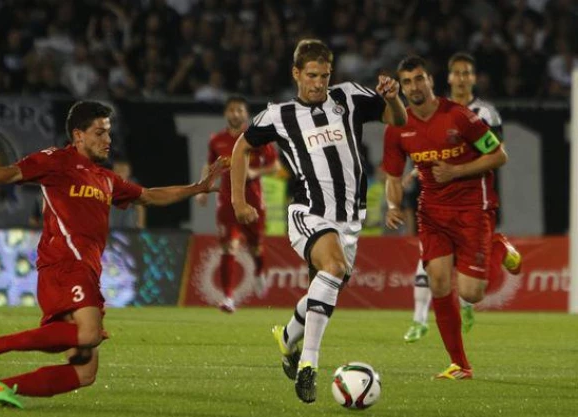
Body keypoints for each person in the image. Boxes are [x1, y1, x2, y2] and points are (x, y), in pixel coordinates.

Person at [0, 101, 226, 409]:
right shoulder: (56, 161)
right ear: (78, 135)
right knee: (88, 334)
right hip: (64, 264)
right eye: (100, 133)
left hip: (86, 270)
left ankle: (3, 386)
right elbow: (11, 173)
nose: (108, 140)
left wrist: (197, 188)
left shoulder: (106, 178)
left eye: (109, 133)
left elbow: (149, 196)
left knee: (85, 371)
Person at [231, 39, 407, 403]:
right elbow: (241, 147)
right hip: (309, 212)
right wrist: (238, 200)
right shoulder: (279, 115)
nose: (319, 83)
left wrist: (392, 98)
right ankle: (308, 365)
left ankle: (287, 338)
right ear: (296, 73)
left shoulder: (349, 97)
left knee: (326, 286)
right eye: (312, 75)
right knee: (333, 267)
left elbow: (399, 119)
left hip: (350, 220)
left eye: (325, 76)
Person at [383, 55, 510, 379]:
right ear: (402, 87)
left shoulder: (459, 116)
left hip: (472, 209)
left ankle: (498, 246)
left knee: (471, 293)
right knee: (438, 282)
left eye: (419, 79)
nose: (414, 86)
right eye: (407, 82)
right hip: (433, 214)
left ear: (430, 80)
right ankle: (460, 365)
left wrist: (456, 171)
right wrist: (394, 206)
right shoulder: (398, 128)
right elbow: (393, 177)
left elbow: (499, 155)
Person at [402, 52, 522, 343]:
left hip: (475, 200)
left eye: (467, 73)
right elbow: (431, 148)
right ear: (448, 77)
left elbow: (495, 153)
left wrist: (456, 170)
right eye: (456, 72)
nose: (461, 78)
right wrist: (417, 171)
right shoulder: (438, 108)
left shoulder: (485, 113)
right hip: (439, 199)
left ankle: (476, 287)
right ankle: (419, 320)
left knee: (471, 287)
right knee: (431, 262)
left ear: (474, 78)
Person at [195, 96, 279, 313]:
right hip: (227, 202)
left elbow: (274, 166)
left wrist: (255, 172)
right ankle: (228, 297)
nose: (235, 114)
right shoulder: (217, 140)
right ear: (226, 113)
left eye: (239, 110)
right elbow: (210, 166)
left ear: (246, 113)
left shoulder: (256, 138)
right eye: (231, 110)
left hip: (253, 202)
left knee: (255, 247)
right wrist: (202, 188)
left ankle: (259, 271)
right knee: (229, 247)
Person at [109, 160, 146, 229]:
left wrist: (140, 225)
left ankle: (129, 232)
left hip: (127, 220)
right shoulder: (107, 183)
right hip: (112, 220)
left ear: (128, 172)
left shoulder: (133, 186)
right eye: (117, 171)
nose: (120, 173)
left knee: (131, 210)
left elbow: (140, 207)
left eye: (123, 171)